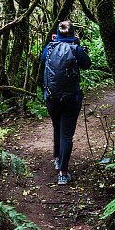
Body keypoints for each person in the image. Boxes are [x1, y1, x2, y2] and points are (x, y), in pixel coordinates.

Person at [40, 21, 92, 185]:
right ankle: (62, 173)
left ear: (56, 34)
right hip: (71, 99)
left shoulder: (49, 48)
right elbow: (87, 65)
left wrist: (54, 43)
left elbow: (42, 63)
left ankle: (57, 159)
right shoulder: (77, 49)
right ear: (73, 34)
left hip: (52, 98)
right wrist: (77, 44)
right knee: (66, 134)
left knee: (57, 127)